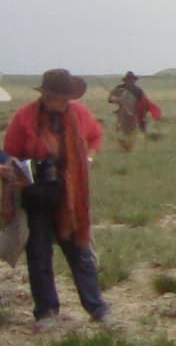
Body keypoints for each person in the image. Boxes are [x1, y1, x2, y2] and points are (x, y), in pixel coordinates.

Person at [2, 69, 110, 328]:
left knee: (80, 253)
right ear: (46, 96)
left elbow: (96, 136)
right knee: (39, 255)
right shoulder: (25, 117)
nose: (61, 103)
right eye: (57, 98)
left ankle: (98, 308)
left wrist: (87, 158)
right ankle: (47, 312)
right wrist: (16, 170)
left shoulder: (79, 114)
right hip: (36, 196)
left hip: (69, 196)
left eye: (65, 98)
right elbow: (10, 153)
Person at [107, 72, 161, 152]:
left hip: (134, 115)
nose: (130, 81)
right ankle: (122, 149)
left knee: (132, 134)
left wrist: (143, 115)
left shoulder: (138, 91)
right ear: (125, 80)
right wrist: (118, 100)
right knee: (120, 133)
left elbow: (144, 103)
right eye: (129, 79)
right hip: (122, 114)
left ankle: (128, 149)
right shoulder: (120, 88)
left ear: (134, 80)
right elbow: (110, 99)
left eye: (132, 80)